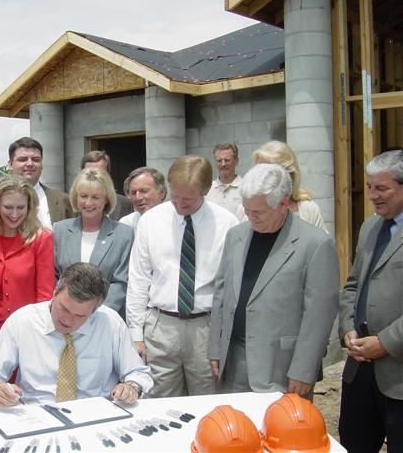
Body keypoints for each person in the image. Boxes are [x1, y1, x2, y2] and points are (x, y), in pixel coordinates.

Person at [207, 163, 339, 398]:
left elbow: (319, 315)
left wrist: (303, 369)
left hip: (282, 367)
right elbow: (221, 294)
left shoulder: (315, 244)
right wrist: (216, 348)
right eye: (246, 209)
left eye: (258, 212)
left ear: (283, 203)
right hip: (233, 360)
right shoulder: (236, 235)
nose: (250, 217)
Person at [127, 155, 239, 398]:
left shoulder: (227, 223)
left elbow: (232, 285)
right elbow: (138, 280)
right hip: (160, 327)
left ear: (206, 190)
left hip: (205, 329)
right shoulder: (151, 221)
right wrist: (135, 334)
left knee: (207, 403)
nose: (178, 204)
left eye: (187, 199)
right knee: (159, 403)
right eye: (174, 196)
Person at [0, 262, 152, 406]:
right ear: (54, 292)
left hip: (95, 416)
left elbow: (139, 373)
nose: (68, 320)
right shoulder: (22, 321)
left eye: (80, 315)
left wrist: (131, 387)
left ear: (95, 311)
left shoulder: (110, 323)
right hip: (35, 416)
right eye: (64, 308)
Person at [338, 149, 403, 452]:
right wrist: (348, 327)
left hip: (398, 375)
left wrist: (386, 342)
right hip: (359, 369)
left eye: (382, 188)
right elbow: (352, 285)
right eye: (369, 187)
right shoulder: (369, 227)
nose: (373, 196)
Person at [0, 174, 55, 336]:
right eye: (8, 207)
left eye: (21, 208)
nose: (14, 214)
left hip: (28, 330)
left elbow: (45, 294)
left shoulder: (41, 238)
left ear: (29, 207)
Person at [53, 168, 134, 318]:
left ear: (106, 199)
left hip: (104, 318)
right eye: (83, 196)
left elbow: (122, 282)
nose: (88, 203)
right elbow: (54, 275)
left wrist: (90, 314)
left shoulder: (124, 234)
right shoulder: (60, 230)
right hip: (64, 317)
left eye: (96, 197)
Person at [251, 140, 327, 232]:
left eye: (269, 172)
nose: (261, 177)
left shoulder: (308, 210)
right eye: (259, 171)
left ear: (289, 174)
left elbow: (321, 244)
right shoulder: (249, 209)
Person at [6, 136, 74, 229]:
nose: (30, 164)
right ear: (10, 164)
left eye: (36, 159)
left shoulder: (64, 201)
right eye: (23, 159)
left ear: (42, 164)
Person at [81, 150, 132, 221]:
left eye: (100, 172)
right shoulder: (73, 203)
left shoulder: (125, 204)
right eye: (90, 173)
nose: (94, 177)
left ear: (108, 174)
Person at [206, 143, 243, 217]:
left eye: (227, 160)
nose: (223, 164)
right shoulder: (207, 190)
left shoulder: (246, 189)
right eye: (219, 160)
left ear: (236, 161)